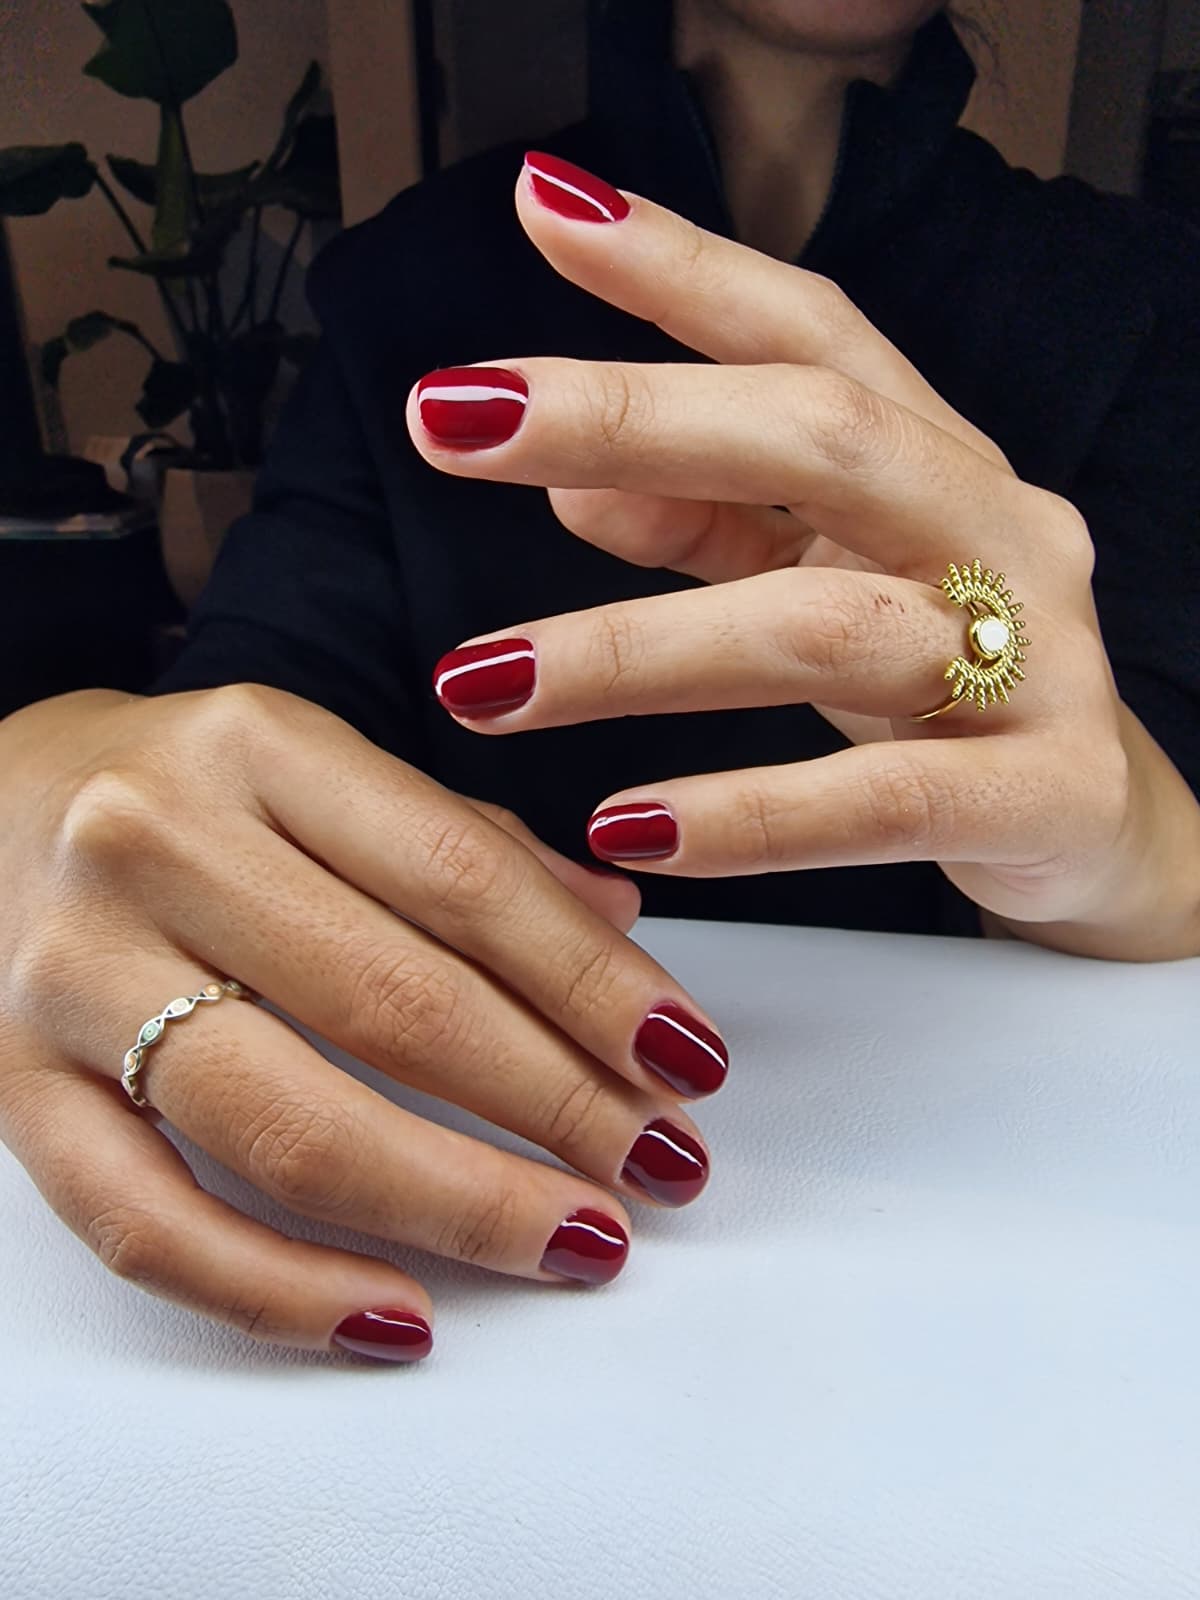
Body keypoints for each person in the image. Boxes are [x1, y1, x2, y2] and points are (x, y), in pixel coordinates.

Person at [1, 0, 1197, 1366]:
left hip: (994, 1266)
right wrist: (44, 770)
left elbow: (1169, 810)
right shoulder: (415, 272)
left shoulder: (1143, 290)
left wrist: (1134, 848)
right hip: (514, 1287)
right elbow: (245, 709)